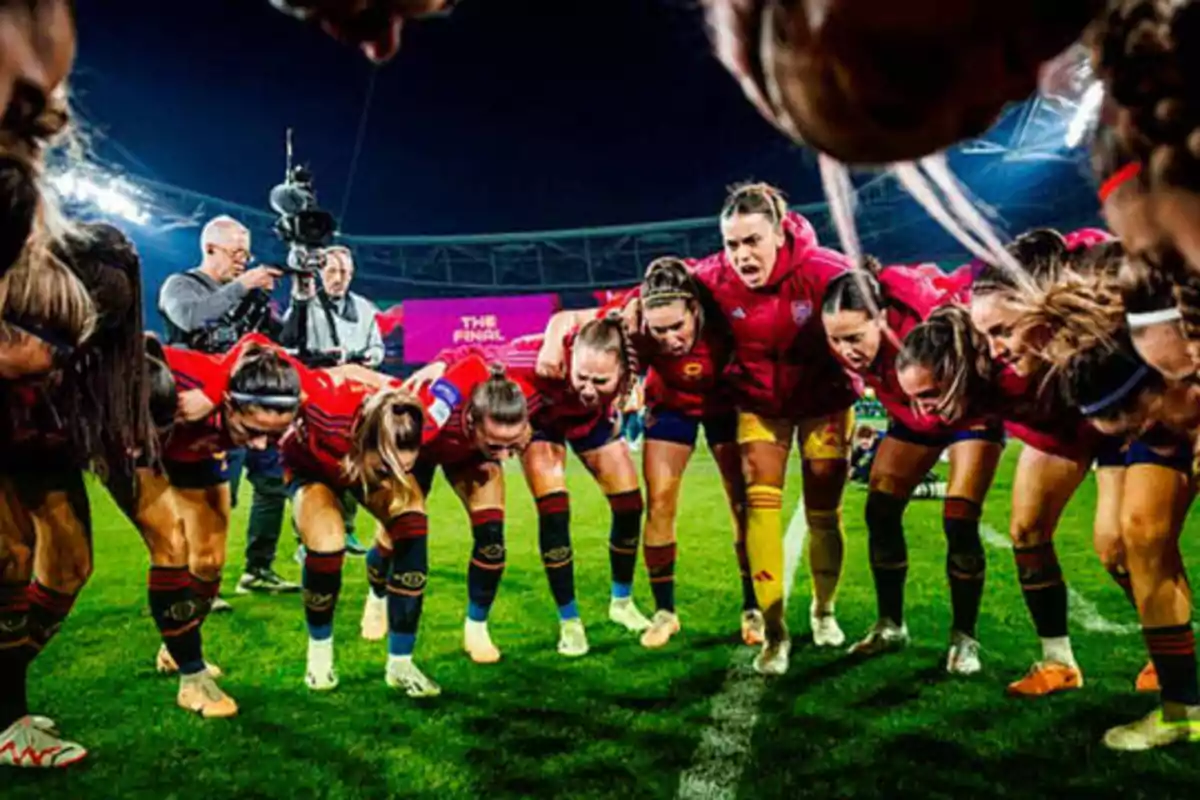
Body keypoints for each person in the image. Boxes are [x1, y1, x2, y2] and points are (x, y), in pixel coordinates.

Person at [537, 257, 755, 650]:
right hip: (671, 405)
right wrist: (552, 344)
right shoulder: (630, 314)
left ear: (695, 309)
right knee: (658, 503)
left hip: (726, 402)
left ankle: (753, 608)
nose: (670, 339)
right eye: (659, 331)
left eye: (677, 326)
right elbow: (566, 319)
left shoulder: (723, 306)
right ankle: (664, 613)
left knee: (743, 504)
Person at [690, 182, 856, 675]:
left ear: (780, 234)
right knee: (759, 507)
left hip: (825, 403)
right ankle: (776, 632)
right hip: (760, 404)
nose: (740, 254)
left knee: (825, 512)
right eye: (732, 244)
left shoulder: (828, 271)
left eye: (752, 241)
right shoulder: (713, 276)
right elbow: (654, 295)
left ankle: (824, 611)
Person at [415, 315, 650, 657]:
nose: (587, 388)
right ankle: (570, 623)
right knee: (555, 512)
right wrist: (442, 362)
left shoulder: (629, 341)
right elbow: (475, 356)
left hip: (589, 422)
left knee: (630, 505)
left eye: (600, 381)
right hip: (542, 424)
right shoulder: (534, 360)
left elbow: (578, 312)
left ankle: (622, 602)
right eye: (581, 377)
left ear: (624, 371)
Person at [823, 267, 1000, 674]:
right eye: (835, 338)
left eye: (854, 337)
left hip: (966, 416)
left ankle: (964, 639)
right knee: (880, 509)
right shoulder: (847, 336)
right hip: (912, 418)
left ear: (881, 318)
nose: (845, 349)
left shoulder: (925, 317)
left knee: (959, 518)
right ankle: (890, 625)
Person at [355, 359, 531, 666]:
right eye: (495, 445)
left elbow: (475, 359)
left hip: (468, 457)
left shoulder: (504, 394)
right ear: (472, 420)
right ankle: (377, 597)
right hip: (419, 453)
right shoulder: (428, 417)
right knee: (393, 536)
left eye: (509, 446)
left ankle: (477, 628)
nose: (505, 456)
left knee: (492, 538)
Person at [158, 216, 297, 599]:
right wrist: (242, 285)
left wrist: (299, 297)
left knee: (272, 486)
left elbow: (282, 339)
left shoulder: (250, 297)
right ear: (210, 249)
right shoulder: (180, 285)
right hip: (202, 411)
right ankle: (196, 576)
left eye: (246, 254)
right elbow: (189, 317)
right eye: (237, 252)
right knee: (213, 497)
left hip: (251, 410)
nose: (244, 260)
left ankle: (258, 569)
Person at [282, 244, 385, 556]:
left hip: (353, 398)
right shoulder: (304, 306)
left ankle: (348, 527)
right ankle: (306, 535)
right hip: (314, 396)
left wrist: (368, 357)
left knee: (353, 463)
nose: (341, 278)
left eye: (346, 272)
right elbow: (290, 344)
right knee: (312, 466)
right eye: (333, 271)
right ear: (319, 272)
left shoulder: (365, 308)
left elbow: (378, 348)